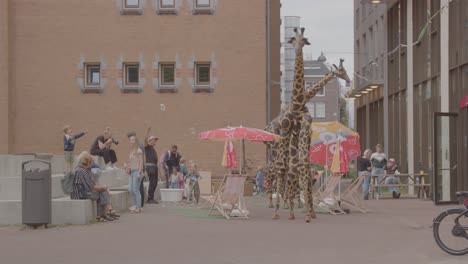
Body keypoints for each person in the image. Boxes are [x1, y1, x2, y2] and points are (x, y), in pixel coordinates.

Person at [71, 151, 120, 222]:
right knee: (102, 192)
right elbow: (91, 187)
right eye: (91, 162)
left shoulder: (84, 169)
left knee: (103, 192)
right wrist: (103, 188)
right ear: (86, 161)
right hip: (80, 194)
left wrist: (102, 188)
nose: (92, 164)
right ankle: (105, 213)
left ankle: (103, 215)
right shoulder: (81, 171)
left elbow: (92, 183)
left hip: (83, 192)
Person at [125, 134, 144, 213]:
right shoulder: (131, 151)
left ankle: (138, 207)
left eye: (133, 140)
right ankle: (136, 205)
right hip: (132, 172)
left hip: (137, 171)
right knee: (130, 189)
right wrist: (127, 167)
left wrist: (139, 172)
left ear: (136, 141)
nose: (131, 141)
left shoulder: (138, 150)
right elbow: (131, 162)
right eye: (130, 140)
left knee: (136, 190)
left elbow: (141, 162)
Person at [143, 126, 159, 204]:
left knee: (155, 182)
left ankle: (151, 197)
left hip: (154, 167)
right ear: (150, 141)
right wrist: (147, 131)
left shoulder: (152, 148)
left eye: (156, 140)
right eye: (154, 140)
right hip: (150, 167)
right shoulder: (147, 147)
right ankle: (149, 198)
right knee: (152, 182)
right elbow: (145, 140)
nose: (155, 141)